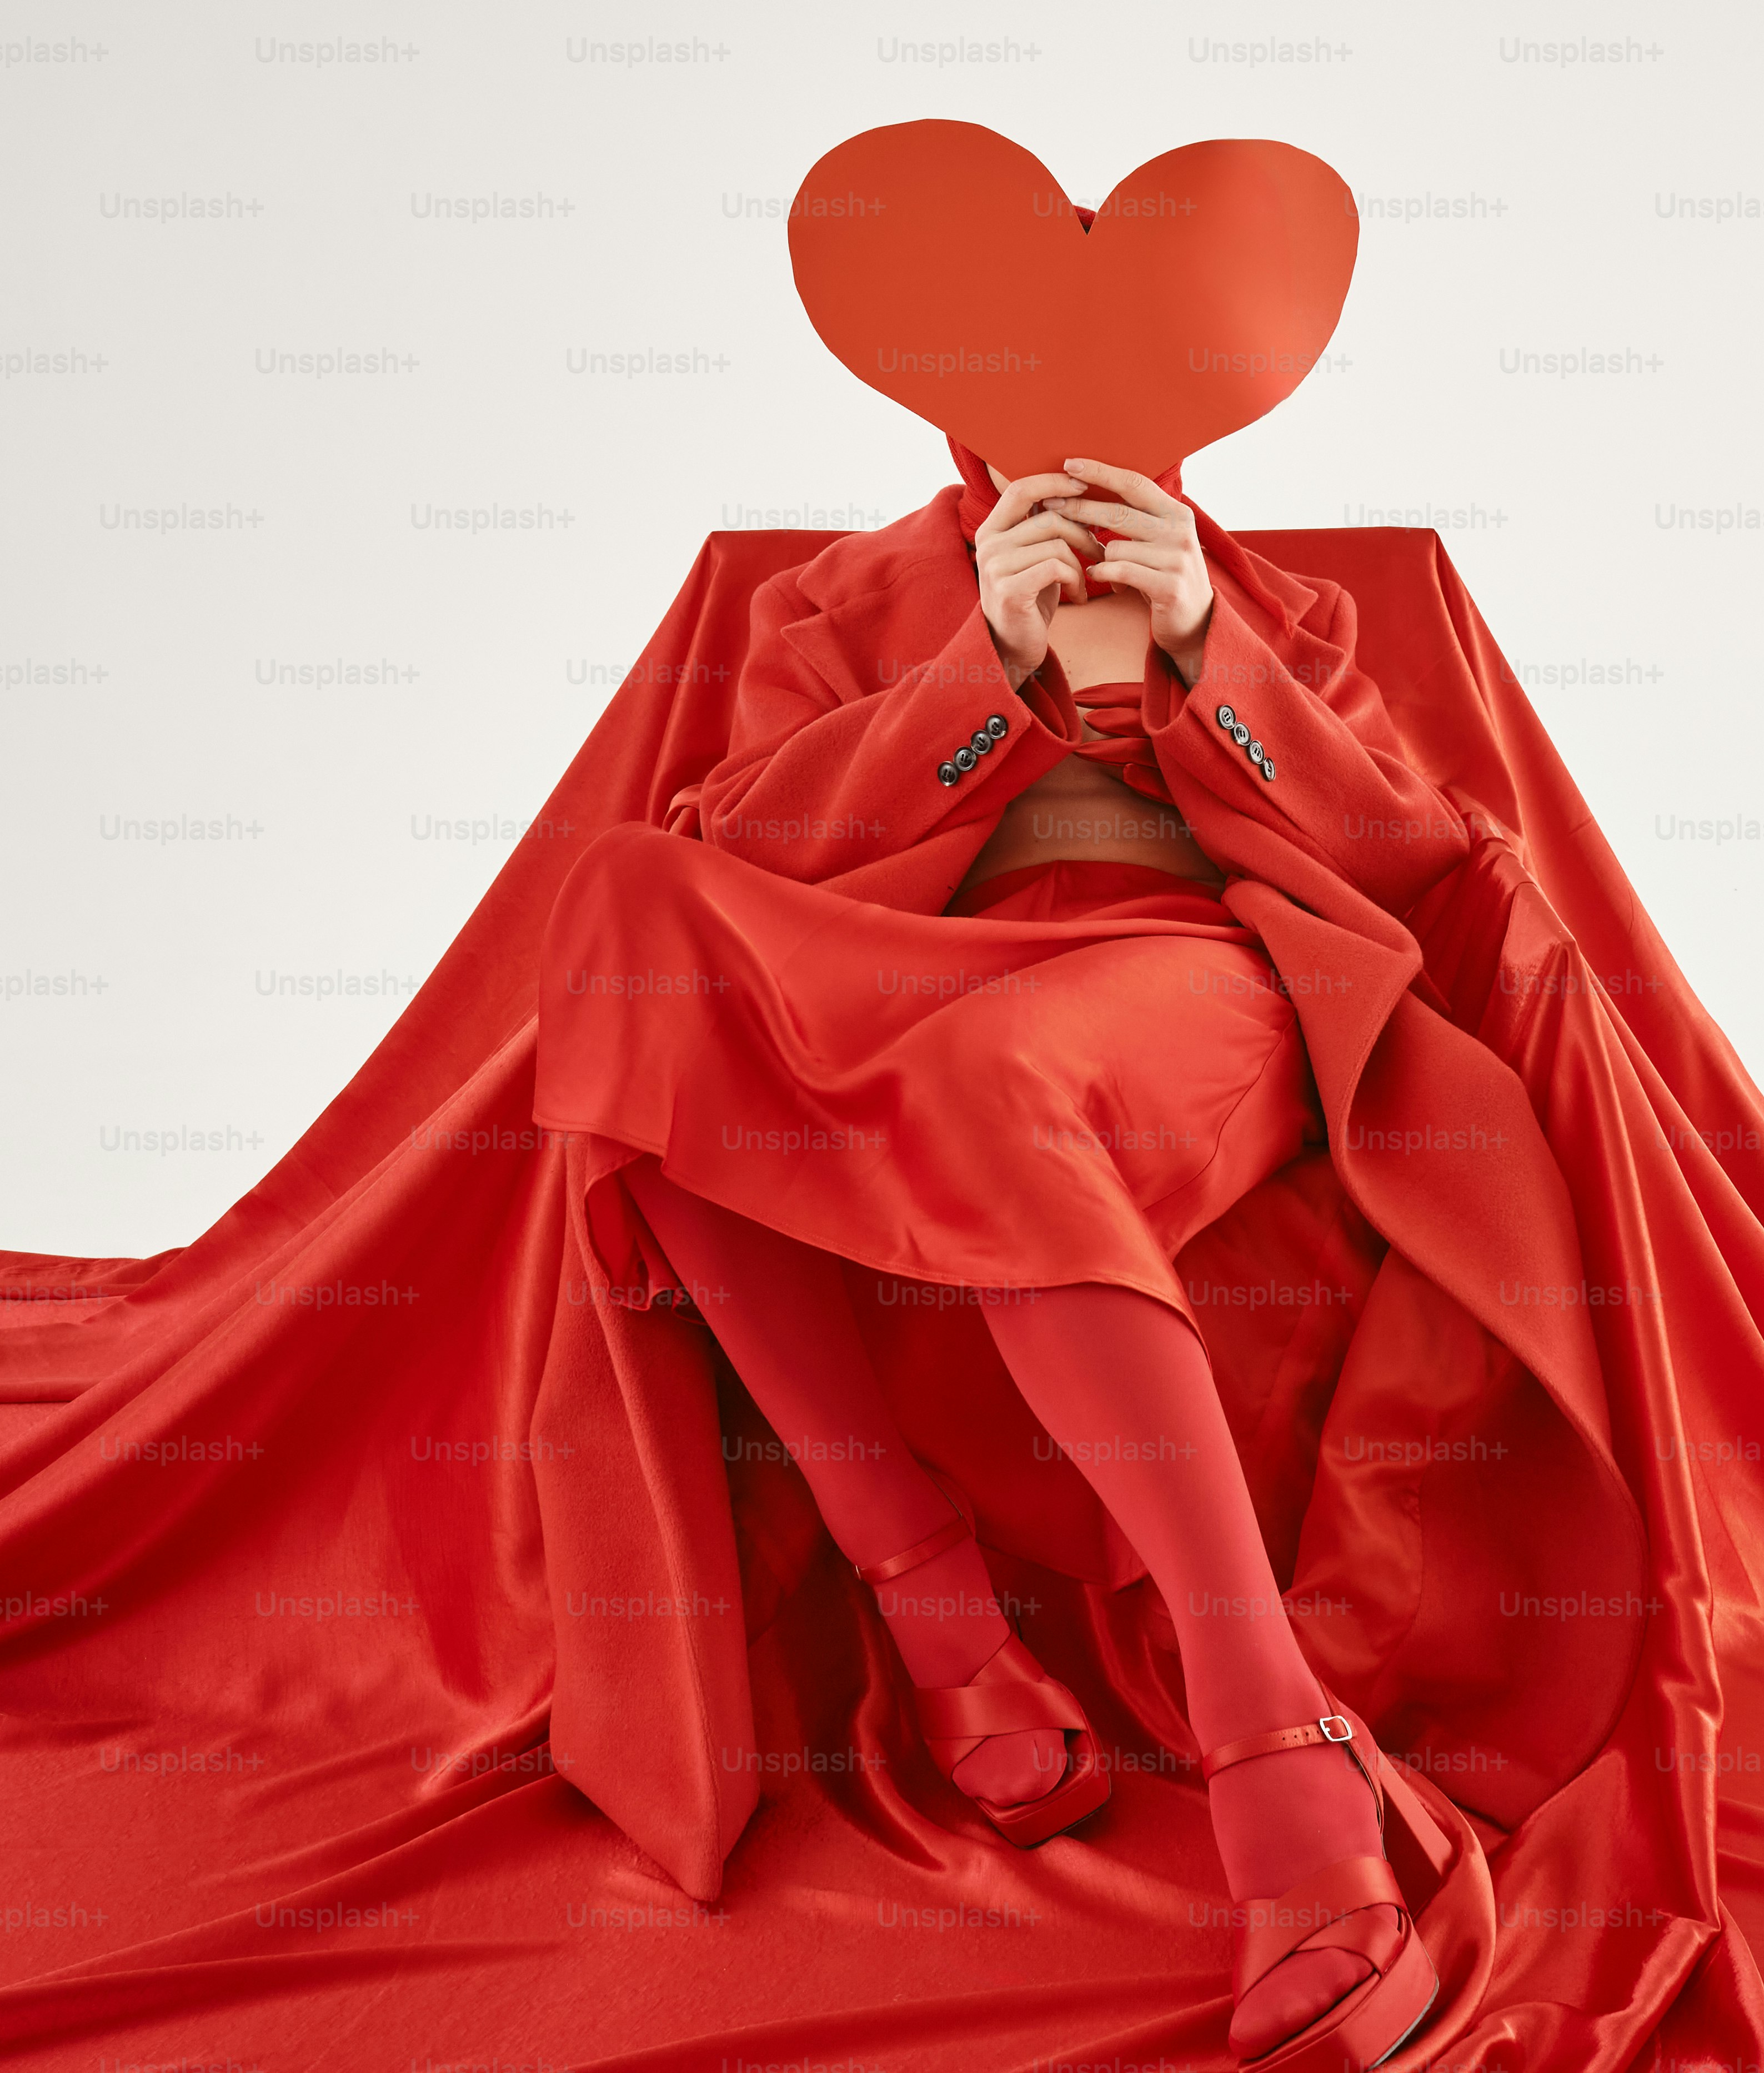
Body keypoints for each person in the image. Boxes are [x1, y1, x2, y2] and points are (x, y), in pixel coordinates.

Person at [537, 441, 1448, 2070]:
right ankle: (934, 1602)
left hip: (1179, 976)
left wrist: (1205, 643)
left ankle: (1277, 1739)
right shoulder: (829, 599)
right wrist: (989, 667)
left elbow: (1409, 859)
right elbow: (746, 851)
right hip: (903, 964)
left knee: (995, 1072)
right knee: (626, 902)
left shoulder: (1285, 606)